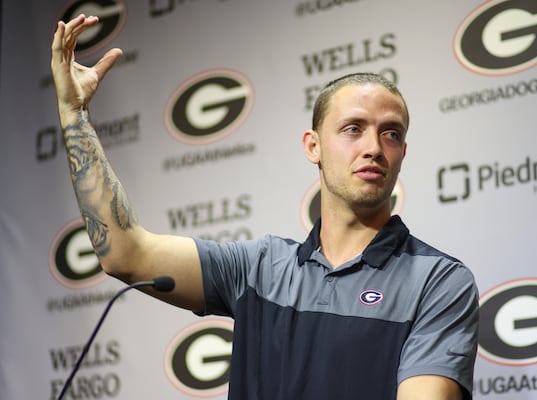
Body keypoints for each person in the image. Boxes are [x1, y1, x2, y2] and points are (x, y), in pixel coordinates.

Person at [51, 14, 479, 400]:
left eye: (390, 134)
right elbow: (125, 253)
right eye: (353, 129)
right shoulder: (259, 268)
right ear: (313, 146)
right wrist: (74, 114)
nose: (373, 148)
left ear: (403, 150)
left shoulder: (438, 282)